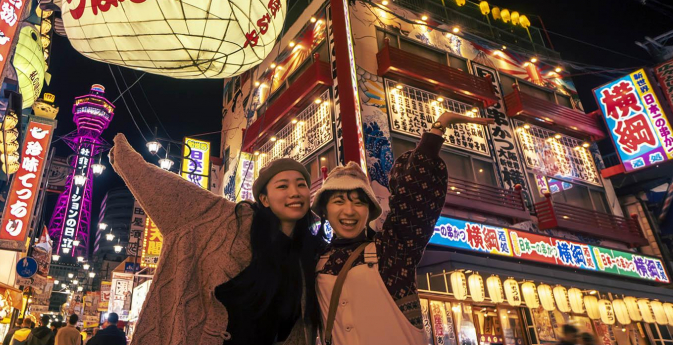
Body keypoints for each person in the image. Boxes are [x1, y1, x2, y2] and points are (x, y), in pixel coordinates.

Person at [110, 133, 320, 344]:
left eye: (301, 185)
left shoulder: (308, 252)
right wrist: (125, 159)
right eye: (283, 186)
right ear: (264, 199)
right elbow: (170, 193)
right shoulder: (228, 220)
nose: (295, 192)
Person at [311, 112, 492, 345]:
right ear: (324, 211)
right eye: (338, 201)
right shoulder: (315, 260)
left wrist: (438, 129)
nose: (349, 211)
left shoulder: (394, 248)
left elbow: (414, 195)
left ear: (369, 211)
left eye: (358, 202)